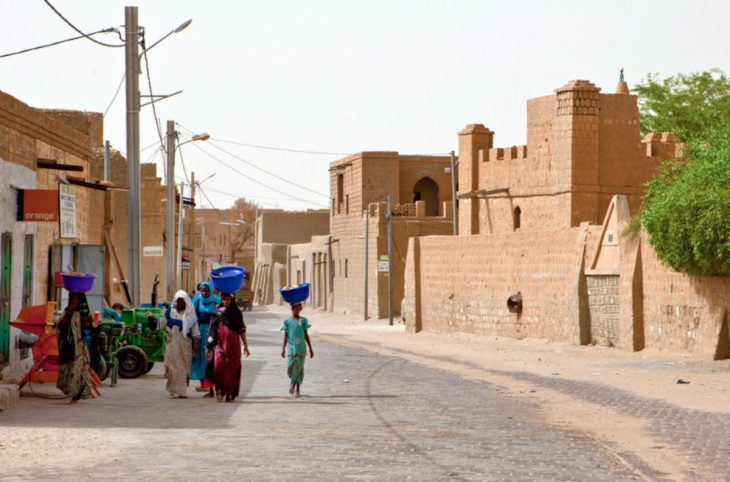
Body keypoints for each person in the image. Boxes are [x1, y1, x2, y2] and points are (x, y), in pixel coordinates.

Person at [206, 292, 250, 402]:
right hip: (219, 345)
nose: (225, 302)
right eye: (224, 299)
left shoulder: (236, 313)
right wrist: (209, 346)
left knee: (232, 369)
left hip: (234, 346)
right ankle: (219, 390)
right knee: (218, 367)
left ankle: (229, 393)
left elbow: (241, 330)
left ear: (232, 300)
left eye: (228, 299)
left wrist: (245, 345)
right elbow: (212, 330)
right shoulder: (217, 313)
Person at [56, 292, 95, 403]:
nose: (74, 302)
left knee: (79, 370)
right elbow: (60, 325)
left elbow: (88, 330)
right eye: (73, 300)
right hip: (67, 347)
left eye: (77, 300)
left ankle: (76, 395)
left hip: (79, 347)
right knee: (67, 369)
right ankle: (72, 392)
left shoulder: (84, 314)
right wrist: (69, 312)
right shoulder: (67, 312)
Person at [163, 291, 200, 398]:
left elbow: (195, 329)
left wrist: (195, 343)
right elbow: (163, 324)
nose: (179, 304)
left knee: (184, 367)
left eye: (182, 302)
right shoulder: (170, 311)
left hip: (185, 345)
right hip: (172, 343)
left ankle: (181, 391)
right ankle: (173, 389)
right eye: (178, 301)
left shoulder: (190, 313)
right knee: (172, 367)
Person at [192, 281, 220, 397]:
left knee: (213, 361)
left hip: (213, 333)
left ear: (211, 290)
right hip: (201, 333)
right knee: (202, 360)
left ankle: (215, 388)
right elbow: (193, 318)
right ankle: (207, 387)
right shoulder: (198, 301)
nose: (204, 293)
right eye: (202, 290)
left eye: (206, 290)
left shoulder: (217, 301)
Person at [280, 302, 314, 398]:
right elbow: (285, 335)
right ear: (292, 309)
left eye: (298, 309)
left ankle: (296, 388)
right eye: (295, 309)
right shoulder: (287, 321)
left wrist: (311, 348)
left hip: (301, 348)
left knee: (299, 368)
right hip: (291, 347)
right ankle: (293, 383)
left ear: (300, 309)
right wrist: (283, 349)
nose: (296, 311)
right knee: (290, 368)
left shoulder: (303, 321)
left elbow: (306, 335)